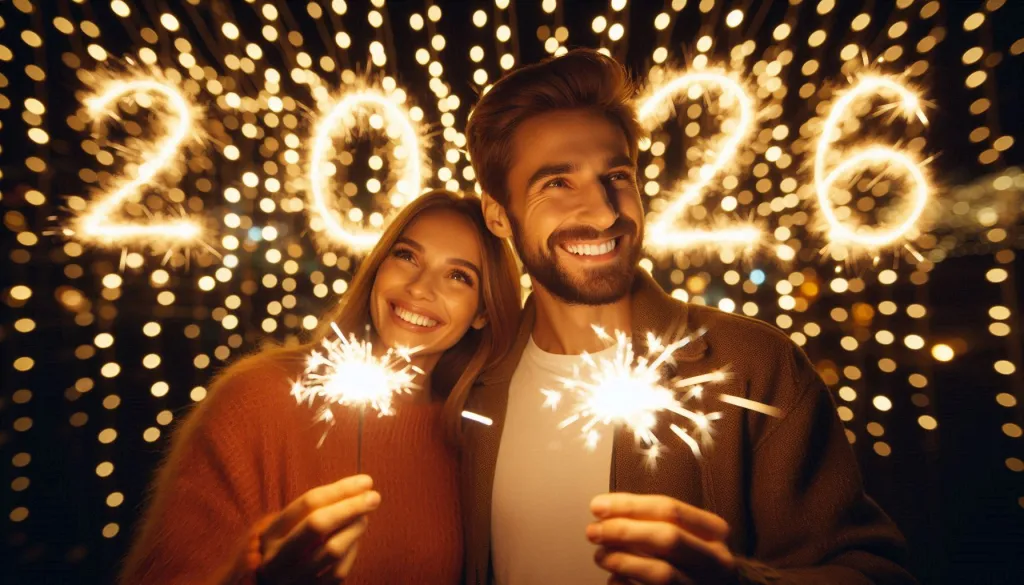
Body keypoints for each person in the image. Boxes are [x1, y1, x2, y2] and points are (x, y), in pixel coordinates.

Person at [461, 49, 916, 585]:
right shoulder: (473, 382)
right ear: (497, 213)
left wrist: (742, 583)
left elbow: (875, 573)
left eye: (617, 176)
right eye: (557, 184)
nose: (606, 212)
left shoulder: (753, 365)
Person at [119, 190, 521, 585]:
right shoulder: (258, 397)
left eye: (457, 276)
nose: (419, 288)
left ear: (483, 312)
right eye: (406, 255)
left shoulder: (473, 446)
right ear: (379, 265)